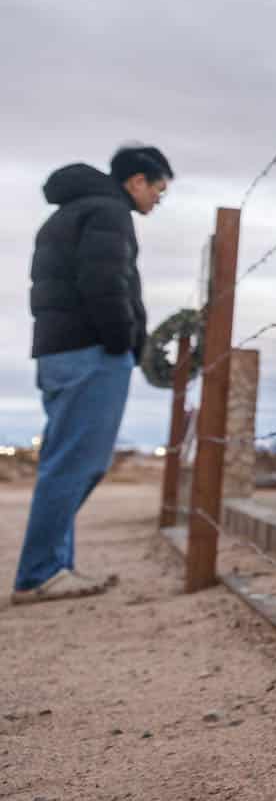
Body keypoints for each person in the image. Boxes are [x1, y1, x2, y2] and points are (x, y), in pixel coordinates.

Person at [12, 146, 172, 604]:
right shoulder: (108, 212)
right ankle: (39, 574)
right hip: (91, 352)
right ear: (137, 180)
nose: (160, 199)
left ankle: (53, 569)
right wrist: (124, 343)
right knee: (77, 464)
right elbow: (105, 282)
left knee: (65, 461)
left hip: (60, 352)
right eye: (160, 188)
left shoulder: (72, 212)